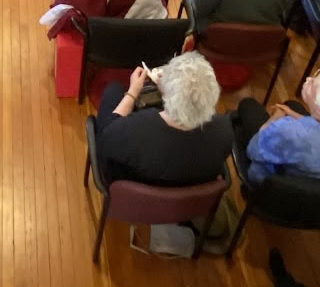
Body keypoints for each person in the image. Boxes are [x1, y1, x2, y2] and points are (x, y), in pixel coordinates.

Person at [93, 52, 232, 187]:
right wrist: (166, 89)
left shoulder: (132, 131)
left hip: (134, 191)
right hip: (186, 202)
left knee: (114, 89)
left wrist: (133, 91)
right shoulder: (224, 130)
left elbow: (105, 140)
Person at [238, 70, 320, 182]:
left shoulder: (288, 132)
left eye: (313, 84)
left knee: (247, 106)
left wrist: (275, 118)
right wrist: (292, 114)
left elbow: (253, 150)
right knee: (292, 105)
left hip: (280, 185)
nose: (308, 79)